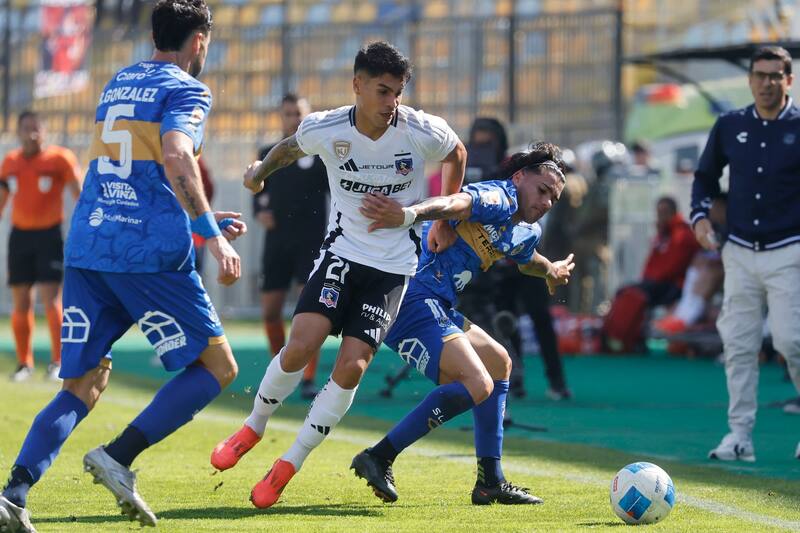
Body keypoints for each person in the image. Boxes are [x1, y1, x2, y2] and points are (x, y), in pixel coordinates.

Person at [0, 1, 248, 531]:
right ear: (198, 40)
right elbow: (179, 157)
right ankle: (119, 456)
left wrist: (197, 213)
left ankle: (14, 493)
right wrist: (206, 234)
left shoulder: (121, 80)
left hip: (91, 247)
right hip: (149, 257)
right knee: (217, 367)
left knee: (83, 384)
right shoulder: (186, 88)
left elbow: (138, 170)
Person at [210, 41, 467, 509]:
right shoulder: (327, 127)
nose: (391, 103)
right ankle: (253, 425)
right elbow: (287, 149)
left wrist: (440, 220)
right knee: (301, 345)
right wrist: (258, 174)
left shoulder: (419, 130)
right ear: (357, 85)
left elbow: (457, 153)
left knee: (351, 367)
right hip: (343, 255)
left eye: (398, 92)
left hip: (392, 269)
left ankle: (288, 464)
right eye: (383, 91)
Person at [350, 142, 573, 505]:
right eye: (542, 190)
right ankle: (379, 456)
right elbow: (455, 203)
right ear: (518, 178)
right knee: (477, 383)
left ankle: (490, 481)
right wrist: (410, 214)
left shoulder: (524, 230)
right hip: (410, 296)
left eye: (554, 198)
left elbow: (525, 257)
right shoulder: (499, 197)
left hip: (436, 304)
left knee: (499, 363)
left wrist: (551, 270)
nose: (546, 202)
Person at [692, 46, 800, 462]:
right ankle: (739, 436)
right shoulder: (730, 124)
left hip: (789, 249)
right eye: (760, 75)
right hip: (737, 250)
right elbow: (704, 177)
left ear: (788, 80)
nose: (767, 83)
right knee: (737, 345)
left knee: (792, 341)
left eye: (776, 76)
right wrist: (700, 218)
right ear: (750, 79)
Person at [254, 92, 329, 399]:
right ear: (281, 117)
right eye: (288, 113)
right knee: (271, 311)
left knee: (307, 312)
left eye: (299, 113)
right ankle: (280, 369)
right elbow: (258, 195)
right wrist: (262, 212)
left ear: (308, 116)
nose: (294, 118)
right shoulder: (268, 153)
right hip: (277, 244)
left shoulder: (323, 157)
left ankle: (308, 378)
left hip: (311, 243)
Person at [0, 111, 82, 382]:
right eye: (26, 128)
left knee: (51, 300)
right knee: (21, 301)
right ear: (18, 131)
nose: (31, 134)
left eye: (36, 128)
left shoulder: (60, 159)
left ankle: (57, 363)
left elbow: (79, 195)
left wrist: (86, 228)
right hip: (20, 237)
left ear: (44, 131)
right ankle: (24, 364)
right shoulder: (10, 162)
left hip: (49, 236)